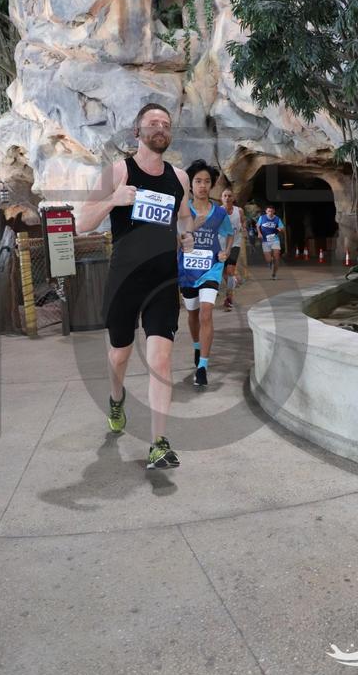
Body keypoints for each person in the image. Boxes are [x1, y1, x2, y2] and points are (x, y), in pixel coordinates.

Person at [76, 104, 195, 470]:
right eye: (152, 123)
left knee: (161, 358)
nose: (160, 128)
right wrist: (114, 199)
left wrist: (187, 236)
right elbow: (81, 222)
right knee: (120, 355)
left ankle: (158, 443)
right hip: (125, 280)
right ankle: (116, 400)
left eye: (166, 124)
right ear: (137, 131)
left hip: (163, 280)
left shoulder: (179, 178)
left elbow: (184, 217)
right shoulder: (118, 172)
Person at [178, 160, 233, 388]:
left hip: (211, 268)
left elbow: (229, 233)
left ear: (212, 185)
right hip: (187, 270)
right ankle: (197, 345)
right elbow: (175, 237)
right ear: (191, 185)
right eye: (198, 181)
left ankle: (202, 366)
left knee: (206, 313)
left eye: (207, 181)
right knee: (193, 314)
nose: (202, 185)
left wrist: (226, 252)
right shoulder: (182, 212)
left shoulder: (219, 213)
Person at [220, 188, 245, 311]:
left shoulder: (239, 211)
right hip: (221, 246)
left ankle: (229, 299)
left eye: (229, 196)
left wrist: (243, 229)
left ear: (233, 198)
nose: (227, 198)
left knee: (230, 271)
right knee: (224, 273)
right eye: (225, 196)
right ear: (221, 198)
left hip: (235, 244)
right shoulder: (218, 211)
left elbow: (243, 222)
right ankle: (232, 282)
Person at [257, 204, 285, 279]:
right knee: (268, 259)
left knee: (276, 257)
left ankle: (274, 274)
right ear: (266, 211)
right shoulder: (262, 218)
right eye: (269, 211)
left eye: (272, 211)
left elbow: (283, 228)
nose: (270, 213)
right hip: (265, 240)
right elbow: (257, 225)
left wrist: (280, 229)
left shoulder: (277, 219)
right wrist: (259, 233)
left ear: (274, 211)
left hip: (275, 240)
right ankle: (270, 262)